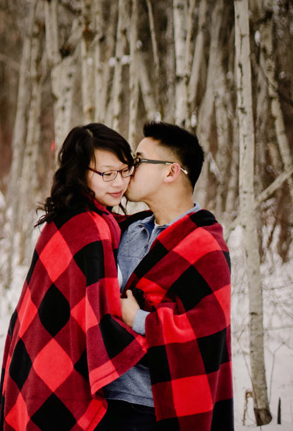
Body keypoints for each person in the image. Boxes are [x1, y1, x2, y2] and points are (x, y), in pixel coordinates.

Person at [0, 124, 147, 431]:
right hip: (57, 368)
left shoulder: (71, 218)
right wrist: (150, 331)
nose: (119, 182)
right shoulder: (89, 229)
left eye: (124, 170)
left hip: (32, 359)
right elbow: (101, 322)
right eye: (107, 173)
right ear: (80, 172)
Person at [101, 122, 233, 431]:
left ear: (170, 172)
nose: (128, 169)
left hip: (155, 409)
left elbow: (205, 332)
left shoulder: (205, 247)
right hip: (103, 401)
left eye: (138, 160)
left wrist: (138, 319)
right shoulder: (123, 230)